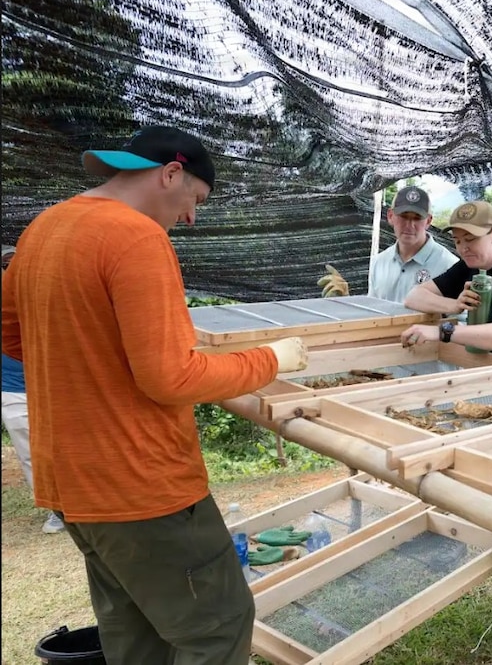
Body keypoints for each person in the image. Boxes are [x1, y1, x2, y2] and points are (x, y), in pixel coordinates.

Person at [0, 125, 309, 665]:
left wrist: (91, 369)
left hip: (74, 485)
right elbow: (172, 378)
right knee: (217, 627)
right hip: (140, 488)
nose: (191, 217)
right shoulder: (136, 236)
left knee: (135, 633)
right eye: (196, 198)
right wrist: (272, 360)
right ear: (170, 173)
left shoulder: (47, 226)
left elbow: (9, 332)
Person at [400, 200, 492, 360]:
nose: (463, 248)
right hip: (485, 367)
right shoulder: (467, 267)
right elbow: (413, 297)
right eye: (457, 240)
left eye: (470, 239)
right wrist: (454, 305)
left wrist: (443, 331)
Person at [1, 246, 64, 534]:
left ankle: (88, 504)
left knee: (67, 446)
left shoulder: (49, 296)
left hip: (55, 385)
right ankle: (58, 510)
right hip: (12, 388)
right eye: (5, 265)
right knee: (30, 453)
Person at [318, 185, 458, 303]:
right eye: (403, 216)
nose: (409, 225)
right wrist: (345, 300)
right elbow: (373, 316)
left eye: (417, 218)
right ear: (390, 216)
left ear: (428, 221)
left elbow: (461, 322)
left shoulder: (449, 266)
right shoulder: (379, 262)